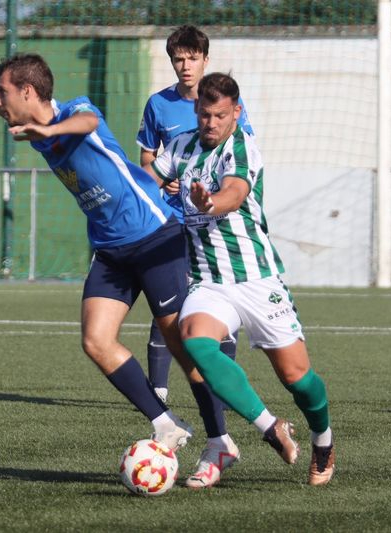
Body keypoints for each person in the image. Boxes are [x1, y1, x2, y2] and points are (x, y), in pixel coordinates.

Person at [0, 52, 297, 488]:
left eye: (6, 93)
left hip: (155, 237)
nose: (1, 103)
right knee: (96, 340)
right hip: (111, 249)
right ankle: (165, 424)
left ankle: (222, 439)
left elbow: (83, 125)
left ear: (28, 92)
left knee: (183, 346)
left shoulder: (76, 111)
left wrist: (47, 130)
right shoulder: (32, 124)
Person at [147, 72, 336, 486]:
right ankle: (271, 427)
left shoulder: (242, 148)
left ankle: (323, 440)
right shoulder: (179, 147)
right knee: (195, 340)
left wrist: (210, 202)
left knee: (297, 379)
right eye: (203, 115)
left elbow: (233, 192)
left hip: (257, 280)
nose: (210, 123)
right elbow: (146, 180)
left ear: (235, 113)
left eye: (219, 115)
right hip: (208, 281)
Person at [137, 25, 253, 405]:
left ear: (205, 59)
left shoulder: (225, 104)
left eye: (192, 58)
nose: (185, 66)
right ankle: (159, 391)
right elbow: (149, 157)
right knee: (167, 299)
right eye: (178, 59)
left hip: (215, 220)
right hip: (172, 219)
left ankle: (220, 386)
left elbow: (240, 149)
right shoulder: (158, 104)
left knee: (222, 299)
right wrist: (164, 178)